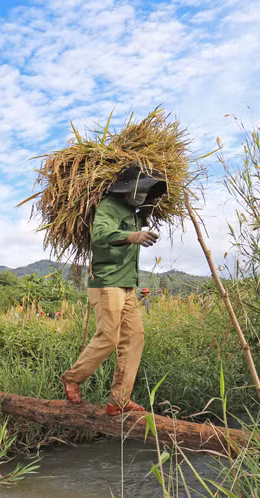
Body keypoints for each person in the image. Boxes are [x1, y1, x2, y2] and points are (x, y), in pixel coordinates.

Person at [60, 164, 165, 415]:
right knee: (109, 336)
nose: (142, 194)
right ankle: (72, 378)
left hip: (127, 283)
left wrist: (147, 214)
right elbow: (100, 234)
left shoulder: (134, 212)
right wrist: (132, 236)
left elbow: (144, 215)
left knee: (135, 338)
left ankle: (118, 400)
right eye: (141, 189)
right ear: (128, 188)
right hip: (107, 281)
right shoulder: (109, 205)